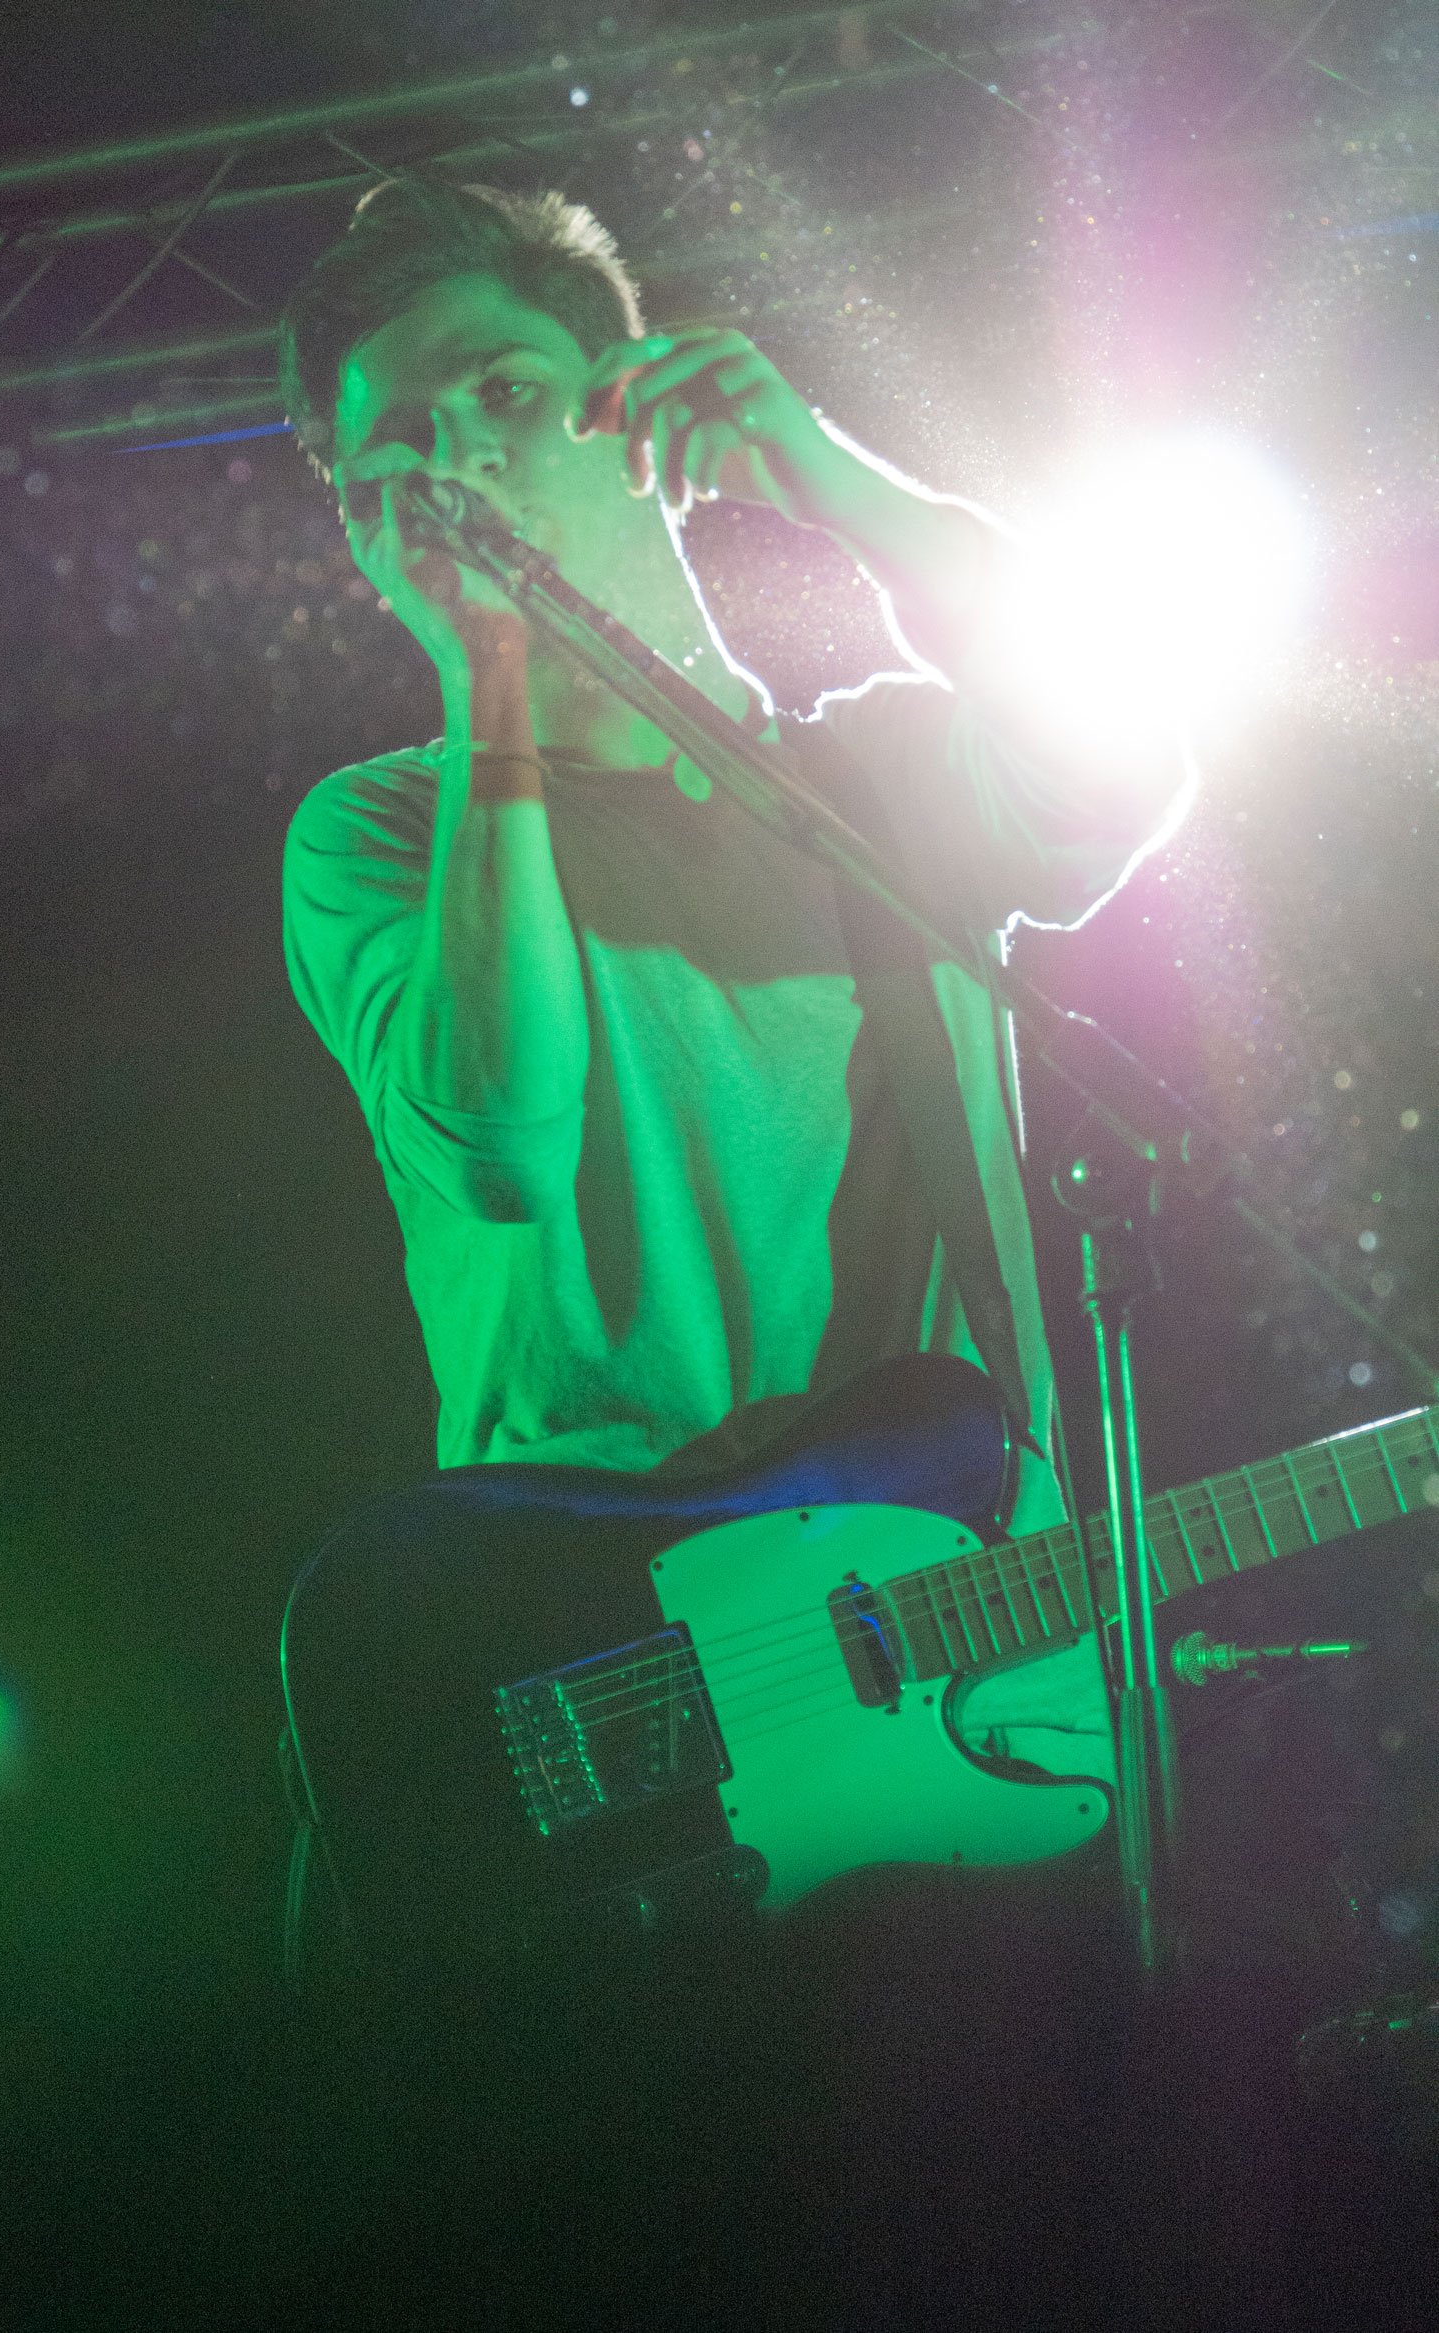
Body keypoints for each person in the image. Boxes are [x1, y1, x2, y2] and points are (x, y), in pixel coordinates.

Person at [278, 175, 1190, 1780]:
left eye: (504, 393)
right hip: (596, 1680)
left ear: (632, 416)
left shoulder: (884, 784)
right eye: (400, 454)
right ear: (368, 538)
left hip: (961, 1681)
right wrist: (494, 675)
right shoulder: (377, 835)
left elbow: (1119, 766)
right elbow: (501, 1143)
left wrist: (836, 485)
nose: (460, 459)